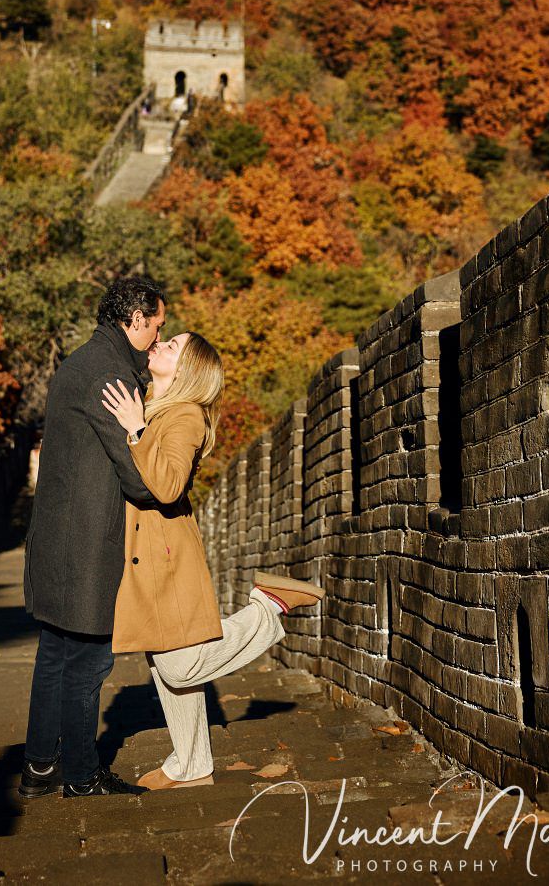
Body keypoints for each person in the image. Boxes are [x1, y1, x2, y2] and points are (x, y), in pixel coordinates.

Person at [101, 332, 324, 790]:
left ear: (187, 370)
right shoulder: (156, 405)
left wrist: (136, 428)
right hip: (145, 550)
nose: (160, 345)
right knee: (165, 662)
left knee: (179, 665)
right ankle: (192, 764)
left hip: (165, 551)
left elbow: (167, 486)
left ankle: (268, 608)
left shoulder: (186, 416)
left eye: (172, 346)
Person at [20, 276, 167, 799]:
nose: (157, 337)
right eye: (156, 326)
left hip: (58, 536)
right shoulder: (111, 375)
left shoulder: (81, 362)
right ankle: (81, 775)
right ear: (134, 319)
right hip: (87, 543)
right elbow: (136, 475)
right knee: (87, 661)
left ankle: (40, 768)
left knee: (56, 655)